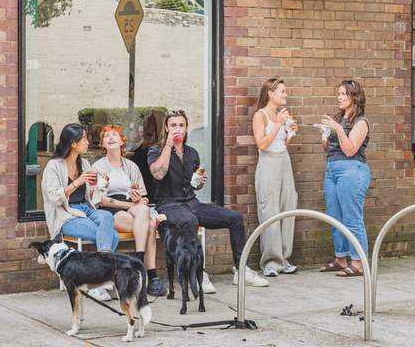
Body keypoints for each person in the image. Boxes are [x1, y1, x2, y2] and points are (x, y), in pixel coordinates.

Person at [148, 110, 269, 292]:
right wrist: (168, 145)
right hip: (168, 205)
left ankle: (241, 269)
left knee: (235, 218)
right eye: (173, 125)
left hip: (191, 203)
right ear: (166, 127)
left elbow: (194, 184)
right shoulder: (156, 150)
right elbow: (158, 174)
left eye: (181, 125)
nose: (177, 129)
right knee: (190, 221)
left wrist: (199, 183)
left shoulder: (192, 153)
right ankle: (198, 273)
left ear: (187, 128)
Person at [41, 123, 119, 302]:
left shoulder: (84, 163)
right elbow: (54, 197)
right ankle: (102, 279)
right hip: (66, 214)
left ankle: (98, 280)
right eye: (83, 139)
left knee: (107, 216)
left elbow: (92, 196)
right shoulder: (53, 166)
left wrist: (98, 186)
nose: (87, 142)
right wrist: (78, 182)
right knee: (112, 235)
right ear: (73, 143)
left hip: (86, 208)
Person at [92, 124, 167, 296]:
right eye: (106, 136)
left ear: (122, 141)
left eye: (114, 135)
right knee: (148, 225)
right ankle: (152, 275)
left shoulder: (131, 166)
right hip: (111, 210)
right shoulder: (97, 167)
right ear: (103, 144)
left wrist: (137, 199)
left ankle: (138, 261)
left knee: (144, 213)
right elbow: (101, 199)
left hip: (133, 207)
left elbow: (143, 197)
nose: (110, 138)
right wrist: (132, 205)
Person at [319, 79, 371, 277]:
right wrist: (325, 136)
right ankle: (341, 259)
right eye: (338, 93)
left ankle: (358, 263)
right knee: (335, 217)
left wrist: (338, 129)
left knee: (351, 218)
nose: (339, 97)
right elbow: (329, 149)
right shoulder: (338, 119)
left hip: (352, 170)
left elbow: (350, 150)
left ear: (354, 97)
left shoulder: (361, 122)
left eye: (343, 94)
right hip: (331, 170)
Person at [252, 77, 299, 277]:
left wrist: (290, 133)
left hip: (284, 162)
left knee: (288, 206)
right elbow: (262, 144)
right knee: (269, 210)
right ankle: (271, 261)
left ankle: (284, 258)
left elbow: (280, 144)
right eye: (282, 91)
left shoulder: (281, 116)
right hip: (268, 164)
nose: (285, 94)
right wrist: (279, 124)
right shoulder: (260, 115)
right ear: (270, 93)